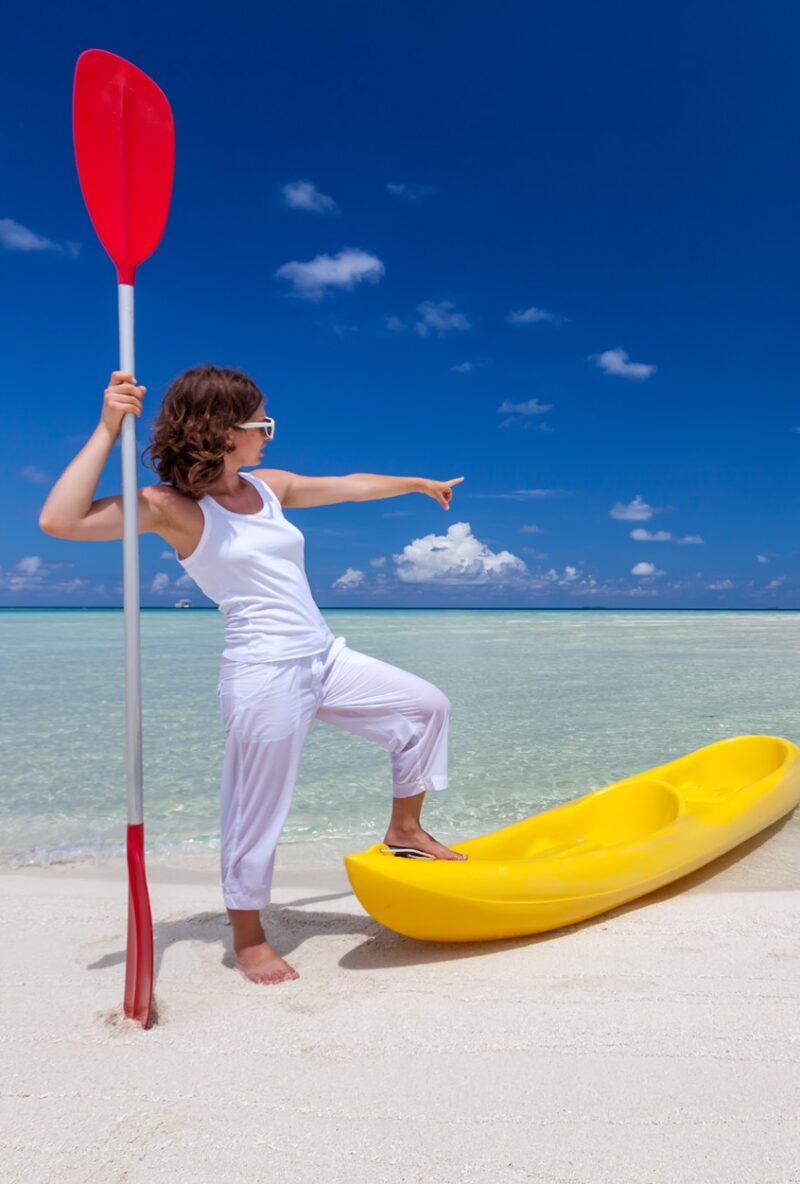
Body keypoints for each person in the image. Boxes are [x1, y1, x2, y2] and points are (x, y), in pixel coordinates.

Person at [39, 365, 467, 986]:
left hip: (323, 655)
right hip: (264, 672)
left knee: (425, 708)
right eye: (261, 423)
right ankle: (247, 938)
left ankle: (406, 830)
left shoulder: (266, 488)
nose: (270, 434)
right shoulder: (173, 508)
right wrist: (108, 427)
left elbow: (347, 485)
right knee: (255, 810)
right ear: (221, 430)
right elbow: (60, 520)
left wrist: (415, 484)